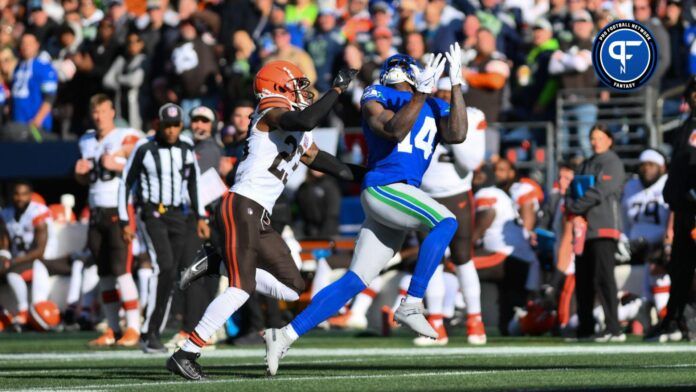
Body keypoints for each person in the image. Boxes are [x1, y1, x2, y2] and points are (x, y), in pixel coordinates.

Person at [264, 46, 468, 376]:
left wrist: (456, 84)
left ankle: (284, 334)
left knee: (355, 280)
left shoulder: (432, 101)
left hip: (398, 194)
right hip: (385, 187)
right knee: (446, 221)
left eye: (405, 65)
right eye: (394, 64)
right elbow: (393, 129)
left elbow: (458, 134)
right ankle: (412, 302)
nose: (399, 68)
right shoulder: (379, 94)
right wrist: (420, 95)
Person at [166, 61, 358, 380]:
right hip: (242, 204)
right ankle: (187, 352)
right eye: (294, 83)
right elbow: (307, 119)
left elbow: (329, 164)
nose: (300, 89)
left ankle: (218, 263)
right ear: (277, 86)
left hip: (260, 214)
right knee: (241, 289)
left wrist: (371, 176)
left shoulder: (295, 126)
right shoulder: (269, 108)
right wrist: (336, 90)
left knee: (293, 289)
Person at [118, 103, 210, 353]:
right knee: (163, 266)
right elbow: (126, 183)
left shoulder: (186, 147)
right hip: (151, 213)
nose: (171, 130)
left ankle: (153, 331)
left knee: (172, 273)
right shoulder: (145, 147)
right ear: (159, 124)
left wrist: (201, 216)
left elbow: (194, 183)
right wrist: (125, 220)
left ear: (181, 125)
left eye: (175, 125)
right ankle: (149, 332)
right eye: (167, 125)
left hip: (178, 215)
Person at [417, 100, 487, 346]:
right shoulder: (420, 110)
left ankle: (475, 319)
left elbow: (471, 161)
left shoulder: (473, 115)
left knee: (462, 257)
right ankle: (435, 322)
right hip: (425, 196)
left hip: (457, 193)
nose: (445, 95)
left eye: (451, 90)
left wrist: (452, 125)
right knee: (430, 260)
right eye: (442, 90)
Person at [75, 94, 142, 347]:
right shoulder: (86, 140)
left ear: (112, 112)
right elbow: (86, 179)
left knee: (122, 270)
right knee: (104, 273)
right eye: (95, 111)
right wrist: (79, 174)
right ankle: (113, 328)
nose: (98, 116)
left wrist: (119, 163)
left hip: (118, 209)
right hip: (95, 211)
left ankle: (134, 327)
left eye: (102, 111)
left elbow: (140, 158)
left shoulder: (126, 135)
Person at [565, 124, 626, 342]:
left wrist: (575, 206)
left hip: (603, 228)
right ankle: (585, 328)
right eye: (592, 137)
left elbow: (601, 191)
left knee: (604, 279)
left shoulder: (612, 162)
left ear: (610, 140)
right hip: (583, 231)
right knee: (583, 281)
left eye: (600, 137)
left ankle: (613, 328)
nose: (595, 141)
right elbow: (570, 189)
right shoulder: (585, 164)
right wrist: (571, 204)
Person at [647, 76, 696, 342]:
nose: (695, 96)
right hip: (682, 208)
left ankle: (688, 320)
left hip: (694, 207)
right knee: (680, 268)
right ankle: (675, 320)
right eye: (693, 92)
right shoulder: (686, 125)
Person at [621, 149, 671, 321]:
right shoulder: (630, 187)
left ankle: (660, 311)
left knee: (655, 260)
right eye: (643, 165)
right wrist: (624, 242)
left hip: (661, 245)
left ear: (662, 168)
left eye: (651, 165)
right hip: (632, 247)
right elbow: (623, 222)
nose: (646, 169)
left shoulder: (669, 183)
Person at [0, 181, 52, 329]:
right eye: (16, 194)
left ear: (30, 195)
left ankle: (23, 313)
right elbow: (4, 242)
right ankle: (3, 314)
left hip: (38, 259)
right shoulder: (6, 214)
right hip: (18, 258)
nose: (19, 198)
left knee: (12, 273)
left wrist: (13, 261)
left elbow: (40, 251)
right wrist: (4, 257)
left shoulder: (38, 212)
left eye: (23, 194)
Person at [10, 32, 58, 134]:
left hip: (36, 126)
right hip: (17, 123)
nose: (25, 47)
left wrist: (38, 119)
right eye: (23, 43)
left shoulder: (44, 67)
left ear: (37, 45)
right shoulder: (18, 67)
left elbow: (49, 97)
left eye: (29, 44)